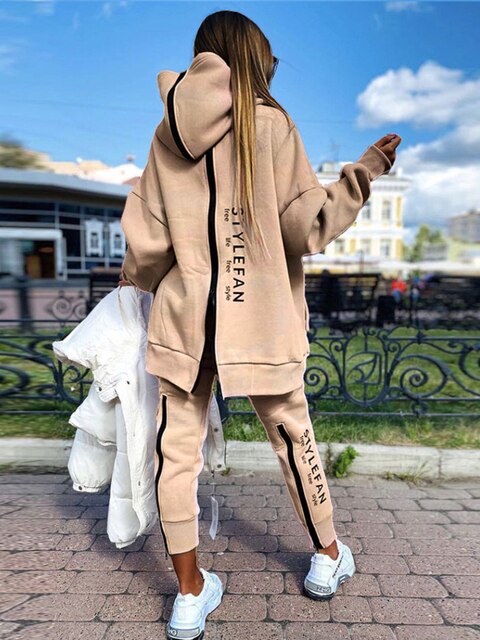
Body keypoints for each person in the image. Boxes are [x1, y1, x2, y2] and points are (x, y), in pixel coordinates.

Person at [119, 10, 400, 640]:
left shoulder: (166, 135)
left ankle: (189, 593)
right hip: (260, 319)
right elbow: (309, 228)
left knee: (175, 453)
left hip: (186, 319)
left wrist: (134, 278)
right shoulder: (271, 124)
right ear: (253, 57)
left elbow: (148, 246)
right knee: (293, 438)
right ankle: (327, 557)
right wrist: (364, 172)